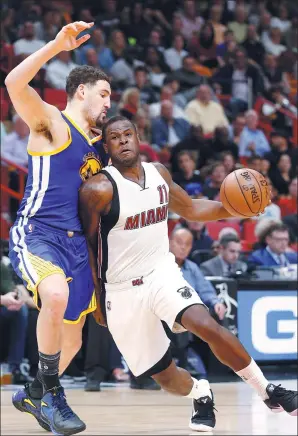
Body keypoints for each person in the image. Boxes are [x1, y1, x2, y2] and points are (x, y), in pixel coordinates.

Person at [79, 116, 297, 432]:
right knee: (166, 378)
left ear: (139, 138)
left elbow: (192, 208)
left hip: (160, 272)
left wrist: (235, 209)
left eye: (128, 134)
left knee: (206, 324)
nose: (123, 140)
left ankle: (268, 390)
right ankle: (200, 392)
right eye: (115, 137)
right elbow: (88, 248)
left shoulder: (159, 174)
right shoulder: (97, 190)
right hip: (121, 289)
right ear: (106, 145)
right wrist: (96, 299)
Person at [5, 20, 111, 436]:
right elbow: (15, 82)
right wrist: (55, 46)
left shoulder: (98, 147)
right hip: (39, 233)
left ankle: (34, 391)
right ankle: (53, 392)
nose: (107, 103)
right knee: (54, 293)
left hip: (77, 246)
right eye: (103, 94)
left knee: (74, 341)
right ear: (81, 92)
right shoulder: (51, 121)